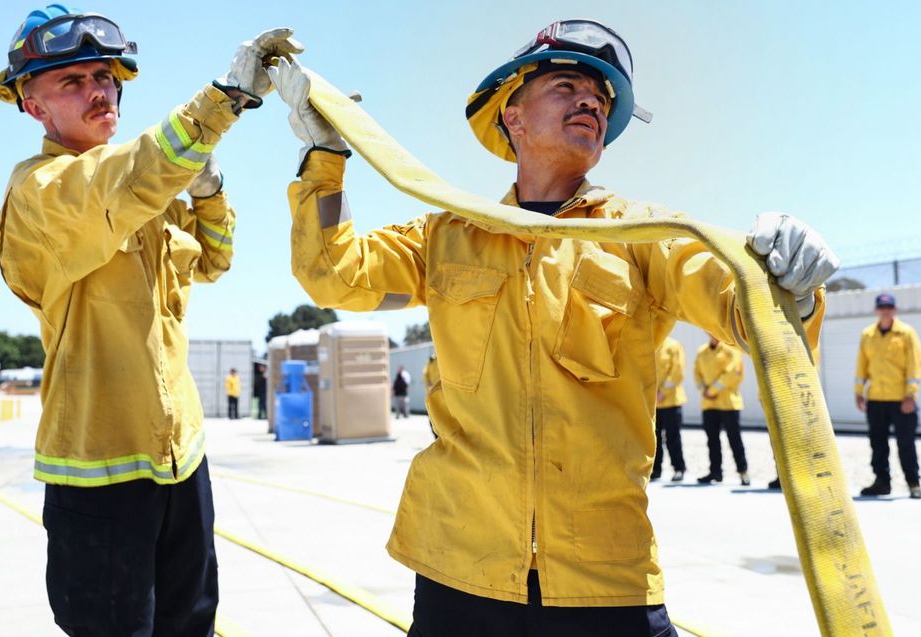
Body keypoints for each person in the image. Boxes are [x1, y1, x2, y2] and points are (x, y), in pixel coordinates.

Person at [272, 18, 837, 635]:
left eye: (601, 96)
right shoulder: (449, 237)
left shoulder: (646, 236)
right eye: (567, 85)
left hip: (604, 578)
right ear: (511, 117)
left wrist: (794, 289)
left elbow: (747, 316)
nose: (590, 100)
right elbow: (334, 275)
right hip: (459, 567)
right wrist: (323, 158)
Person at [0, 5, 300, 633]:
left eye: (104, 75)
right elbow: (117, 180)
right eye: (70, 82)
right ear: (33, 106)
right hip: (101, 472)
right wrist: (223, 102)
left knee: (192, 624)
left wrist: (207, 192)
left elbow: (213, 259)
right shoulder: (40, 190)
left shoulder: (145, 198)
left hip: (182, 459)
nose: (98, 89)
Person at [855, 293, 921, 499]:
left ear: (894, 309)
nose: (885, 310)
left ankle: (914, 484)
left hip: (901, 400)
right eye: (882, 307)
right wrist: (859, 393)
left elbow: (915, 366)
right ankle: (882, 483)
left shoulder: (906, 333)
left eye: (889, 307)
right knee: (878, 443)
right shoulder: (868, 335)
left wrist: (910, 396)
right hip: (875, 399)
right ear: (876, 310)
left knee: (906, 444)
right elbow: (861, 366)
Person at [694, 334, 749, 486]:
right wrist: (703, 390)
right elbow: (697, 374)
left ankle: (743, 472)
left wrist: (710, 391)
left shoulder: (731, 351)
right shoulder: (702, 352)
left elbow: (731, 374)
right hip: (709, 405)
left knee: (734, 439)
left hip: (728, 403)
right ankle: (715, 472)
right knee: (712, 440)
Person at [653, 336, 686, 482]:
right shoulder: (650, 345)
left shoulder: (673, 345)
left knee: (673, 438)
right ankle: (655, 469)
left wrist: (663, 392)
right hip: (653, 403)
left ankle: (679, 469)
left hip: (672, 401)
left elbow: (677, 372)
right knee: (654, 439)